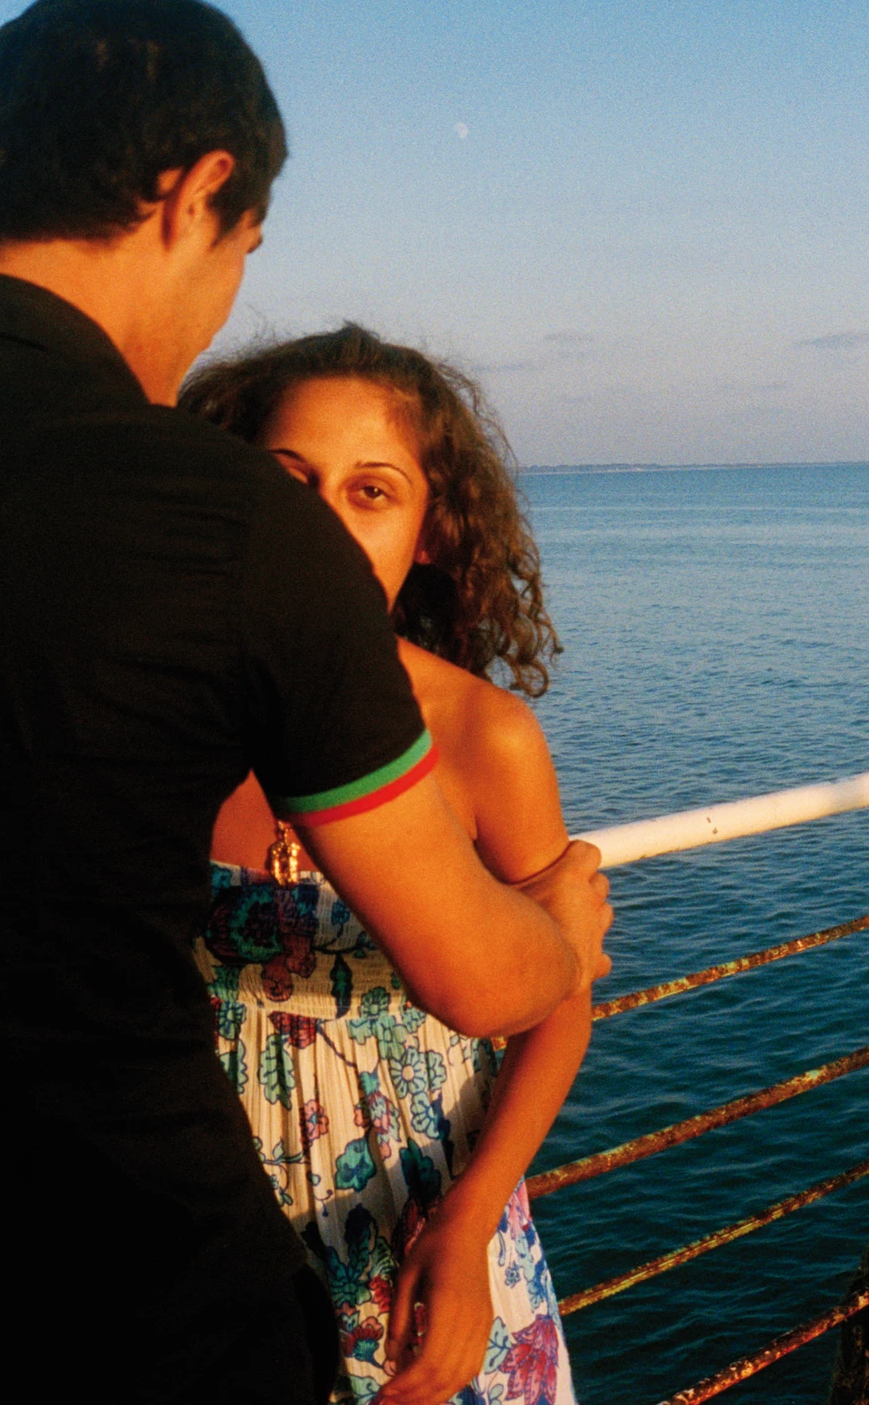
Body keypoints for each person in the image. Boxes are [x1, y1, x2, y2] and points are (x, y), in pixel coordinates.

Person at [0, 0, 611, 1404]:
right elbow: (478, 972)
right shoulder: (220, 527)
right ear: (196, 191)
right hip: (149, 1319)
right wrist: (561, 927)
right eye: (244, 246)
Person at [180, 328, 589, 1405]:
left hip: (424, 1244)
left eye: (371, 491)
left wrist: (468, 1228)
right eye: (288, 479)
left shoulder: (479, 736)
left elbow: (562, 1002)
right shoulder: (160, 721)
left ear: (433, 529)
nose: (320, 523)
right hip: (193, 1242)